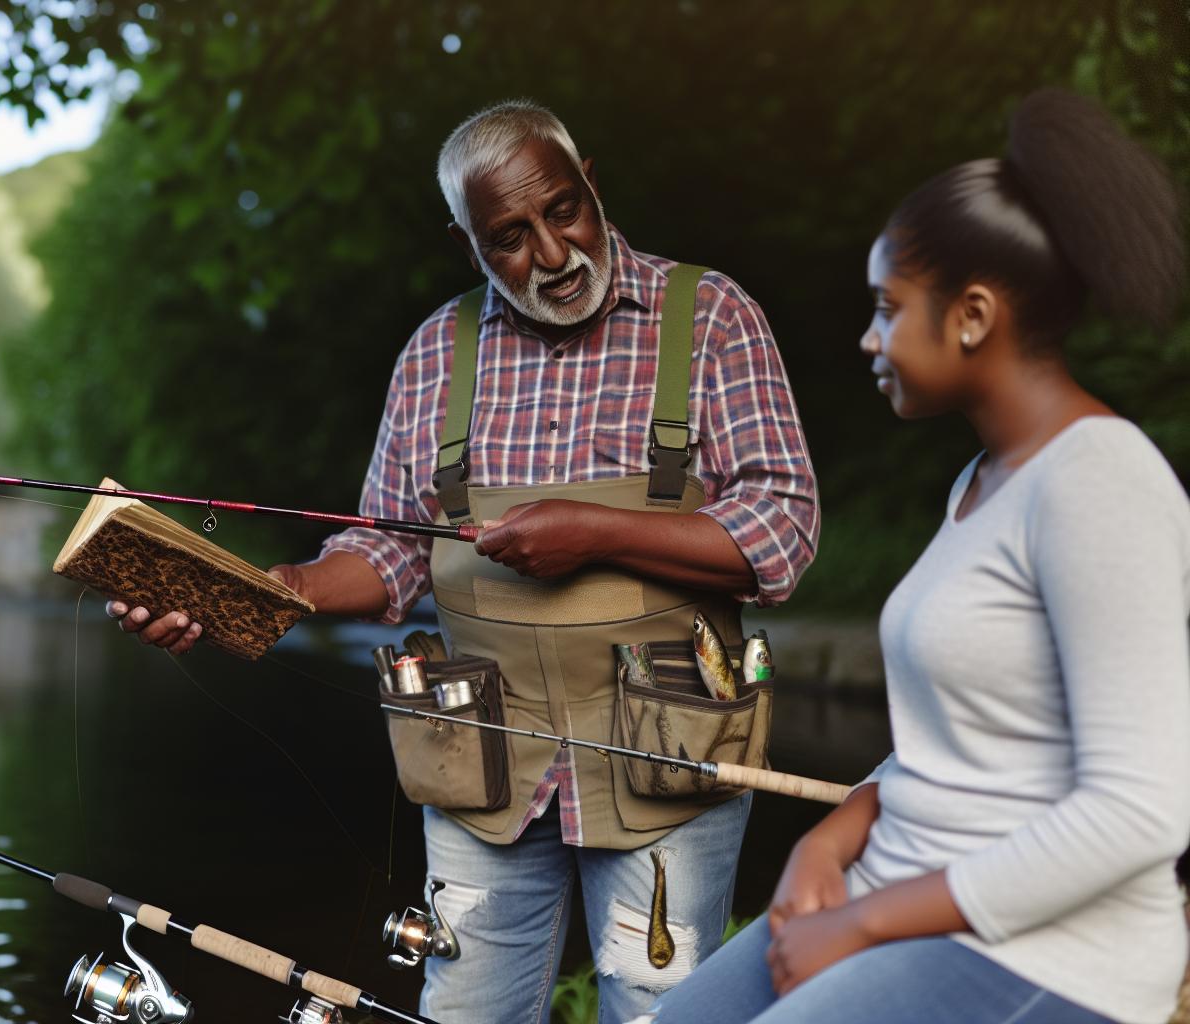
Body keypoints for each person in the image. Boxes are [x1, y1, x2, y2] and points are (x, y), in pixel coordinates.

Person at [110, 99, 820, 1022]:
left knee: (661, 1012)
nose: (553, 253)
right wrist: (275, 592)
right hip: (480, 767)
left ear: (591, 183)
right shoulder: (433, 356)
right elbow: (389, 550)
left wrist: (598, 531)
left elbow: (782, 531)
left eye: (563, 210)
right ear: (466, 244)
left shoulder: (713, 315)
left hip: (670, 762)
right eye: (510, 238)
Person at [638, 89, 1190, 1024]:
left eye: (888, 308)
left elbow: (1142, 810)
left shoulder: (1101, 482)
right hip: (894, 894)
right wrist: (827, 844)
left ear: (971, 315)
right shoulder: (983, 481)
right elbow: (954, 749)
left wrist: (860, 926)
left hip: (1043, 956)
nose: (869, 337)